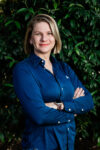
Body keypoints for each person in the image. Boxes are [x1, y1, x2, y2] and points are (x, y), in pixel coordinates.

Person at [13, 14, 94, 150]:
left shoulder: (64, 68)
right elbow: (39, 115)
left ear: (55, 38)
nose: (44, 38)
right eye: (38, 34)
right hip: (41, 145)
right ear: (30, 39)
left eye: (49, 33)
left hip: (68, 143)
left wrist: (60, 105)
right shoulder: (23, 70)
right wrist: (73, 111)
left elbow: (88, 101)